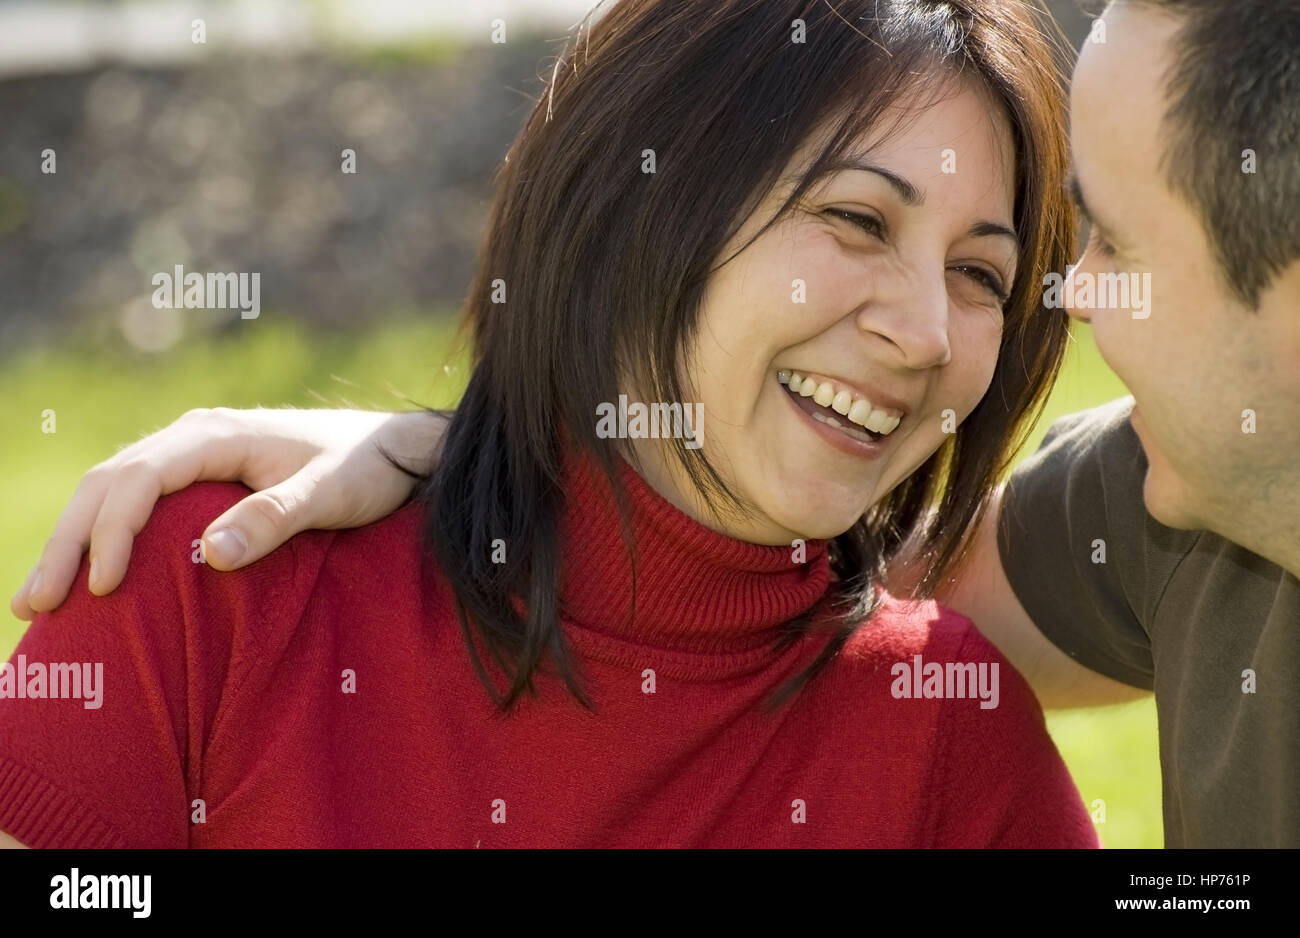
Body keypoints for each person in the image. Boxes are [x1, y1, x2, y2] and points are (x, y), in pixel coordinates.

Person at [0, 0, 1098, 848]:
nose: (921, 332)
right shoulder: (211, 584)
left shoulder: (948, 730)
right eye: (856, 218)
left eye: (978, 274)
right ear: (638, 208)